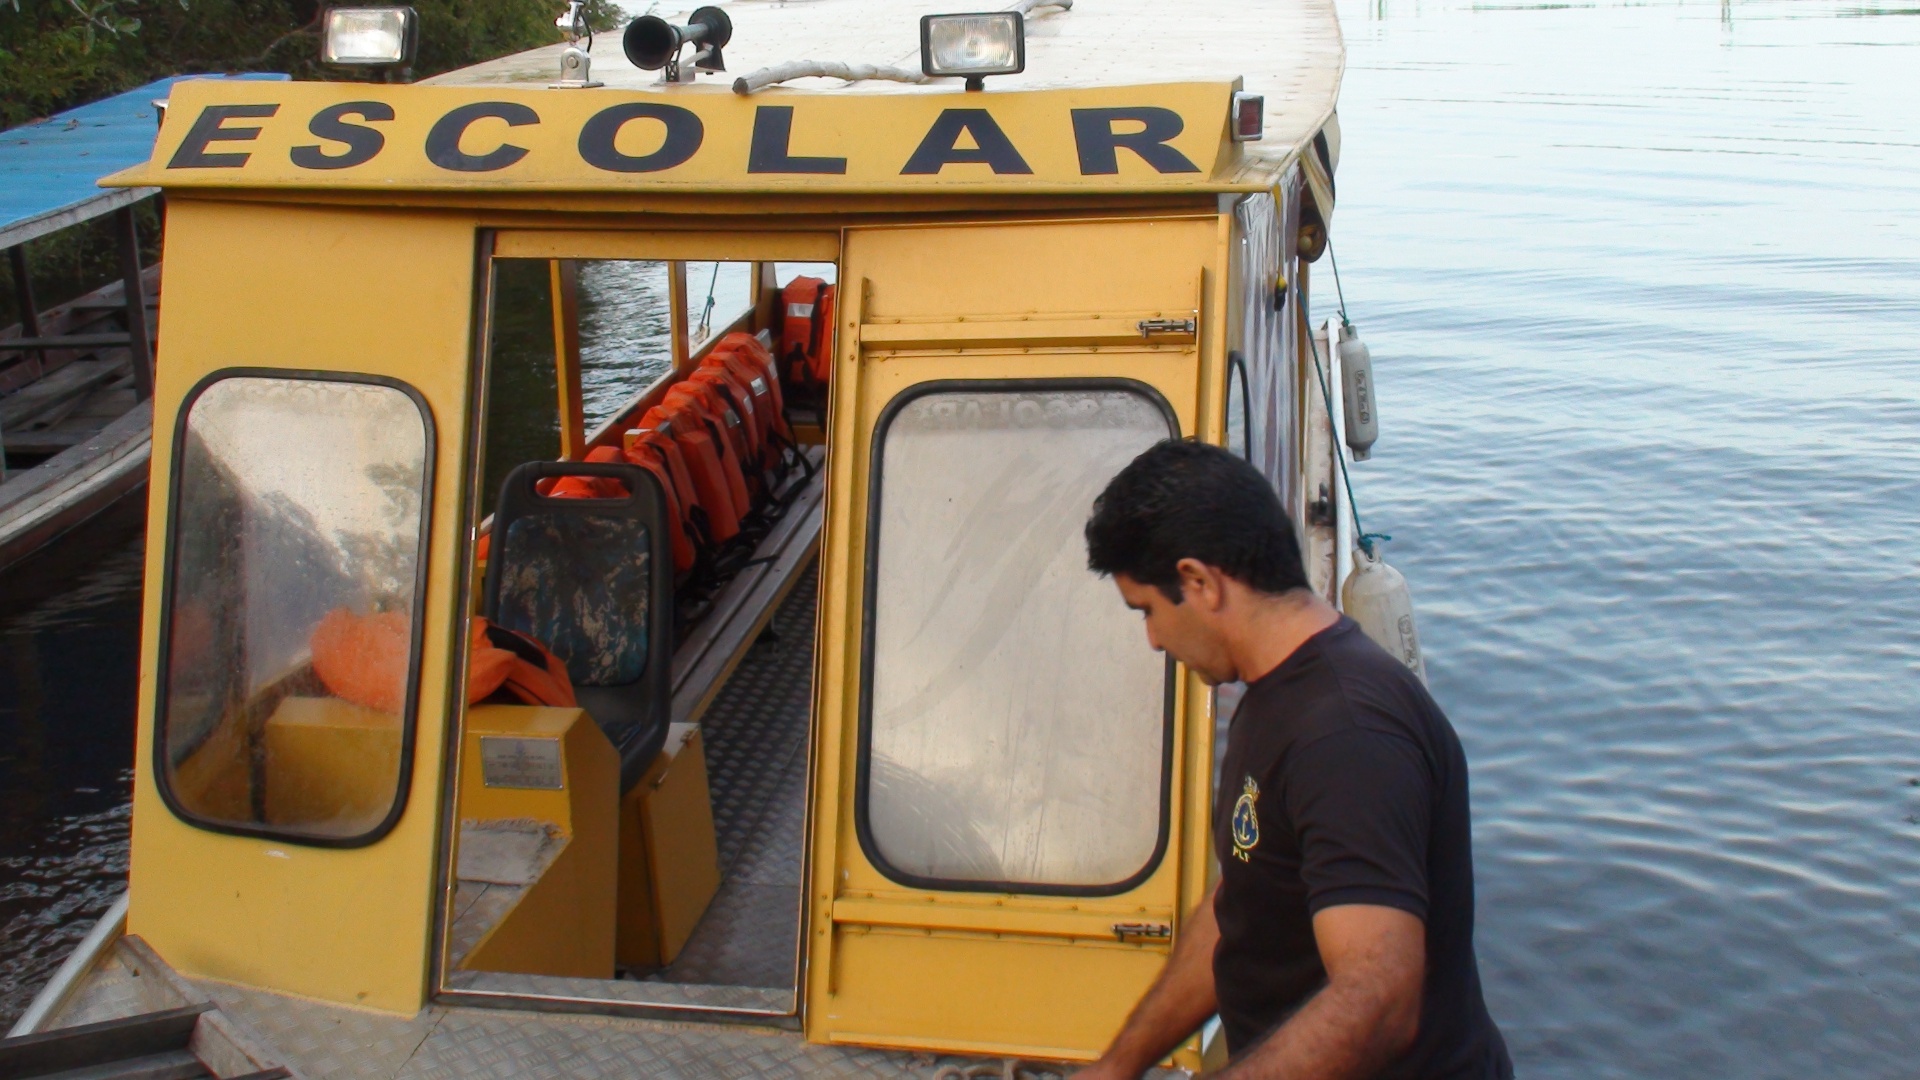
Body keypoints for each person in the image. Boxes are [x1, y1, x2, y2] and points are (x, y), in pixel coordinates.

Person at [1077, 440, 1511, 1080]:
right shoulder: (1276, 695)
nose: (1153, 639)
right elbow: (1244, 903)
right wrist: (1118, 1066)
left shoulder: (1346, 735)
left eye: (1147, 611)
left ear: (1199, 582)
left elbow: (1378, 998)